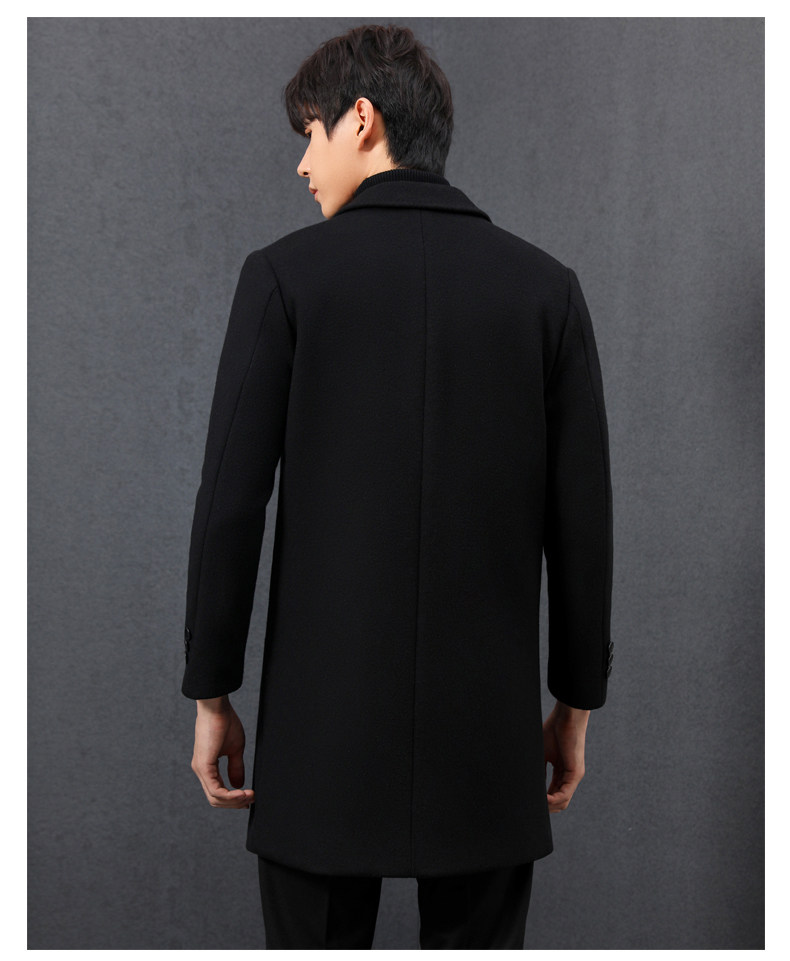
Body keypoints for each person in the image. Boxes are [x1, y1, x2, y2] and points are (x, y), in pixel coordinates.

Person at [181, 23, 614, 950]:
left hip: (320, 748)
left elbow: (229, 507)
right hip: (486, 747)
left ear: (362, 119)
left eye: (310, 133)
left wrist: (213, 694)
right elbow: (583, 526)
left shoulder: (285, 278)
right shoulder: (547, 291)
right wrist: (574, 705)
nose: (304, 163)